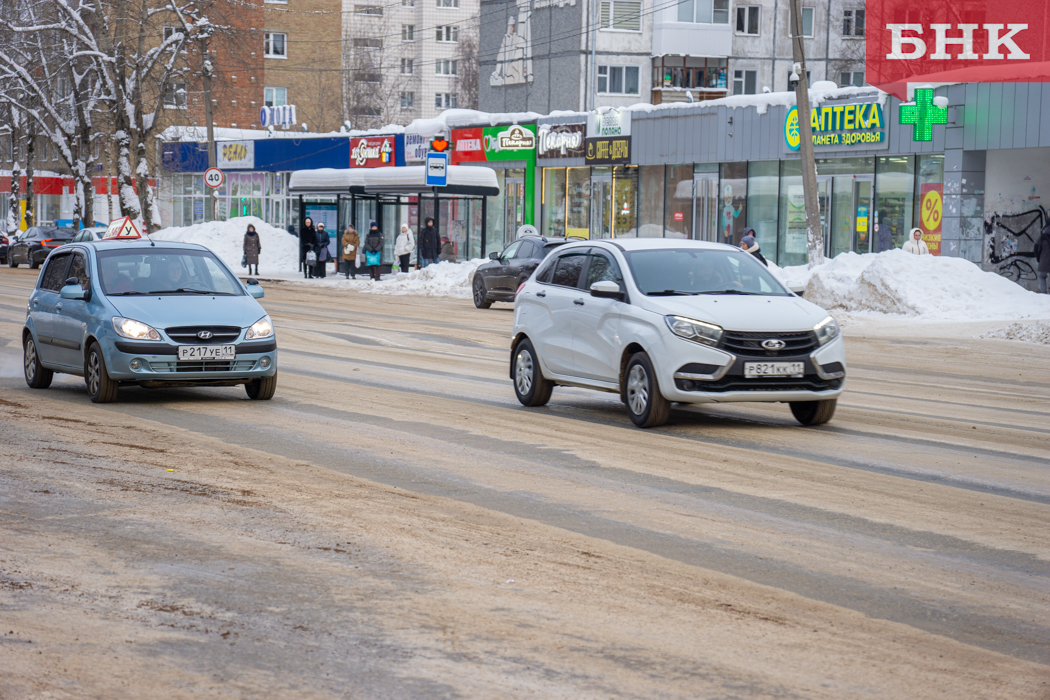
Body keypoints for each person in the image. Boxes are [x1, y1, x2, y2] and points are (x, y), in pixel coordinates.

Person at [1035, 221, 1050, 293]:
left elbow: (1036, 248)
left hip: (1044, 260)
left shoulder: (1042, 236)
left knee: (1042, 276)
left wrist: (1038, 259)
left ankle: (1043, 293)